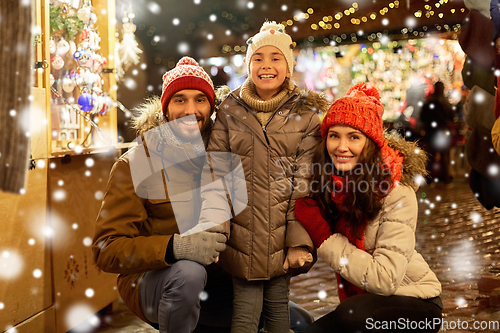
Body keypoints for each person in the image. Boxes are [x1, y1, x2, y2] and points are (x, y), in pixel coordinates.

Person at [92, 56, 313, 333]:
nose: (190, 110)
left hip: (219, 280)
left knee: (300, 323)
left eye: (200, 100)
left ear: (211, 106)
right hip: (156, 281)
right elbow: (106, 249)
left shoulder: (226, 154)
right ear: (165, 107)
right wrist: (175, 247)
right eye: (179, 100)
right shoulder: (135, 163)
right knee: (188, 272)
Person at [197, 21, 329, 333]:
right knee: (244, 316)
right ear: (248, 64)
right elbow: (216, 172)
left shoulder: (306, 113)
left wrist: (297, 241)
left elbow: (305, 182)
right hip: (242, 234)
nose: (266, 65)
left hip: (282, 234)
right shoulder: (230, 109)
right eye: (258, 58)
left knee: (277, 314)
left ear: (289, 65)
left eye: (275, 58)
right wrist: (216, 232)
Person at [294, 83, 443, 333]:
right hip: (365, 303)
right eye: (334, 135)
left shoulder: (395, 192)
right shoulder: (334, 186)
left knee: (352, 316)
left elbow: (384, 280)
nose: (342, 147)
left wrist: (324, 237)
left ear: (371, 143)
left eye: (354, 137)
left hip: (417, 304)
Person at [420, 81, 454, 183]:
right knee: (444, 156)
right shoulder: (445, 102)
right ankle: (445, 178)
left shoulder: (429, 102)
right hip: (442, 132)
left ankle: (430, 178)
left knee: (431, 156)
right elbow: (451, 117)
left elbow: (423, 116)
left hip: (432, 131)